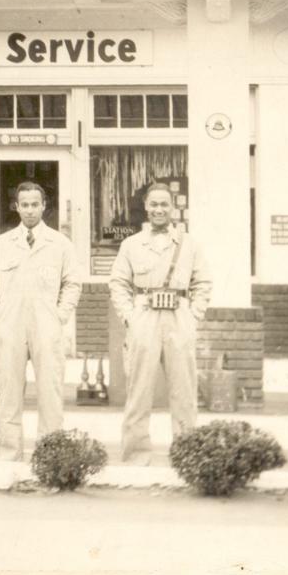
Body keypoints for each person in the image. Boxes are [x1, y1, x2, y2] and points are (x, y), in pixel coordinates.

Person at [108, 182, 213, 466]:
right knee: (139, 389)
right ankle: (135, 457)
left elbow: (202, 282)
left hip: (179, 316)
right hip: (144, 314)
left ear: (173, 207)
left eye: (164, 204)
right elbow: (118, 283)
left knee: (184, 390)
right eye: (153, 204)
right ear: (146, 207)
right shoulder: (130, 244)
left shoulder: (189, 244)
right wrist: (130, 316)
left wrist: (193, 315)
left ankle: (187, 455)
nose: (158, 209)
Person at [0, 181, 81, 461]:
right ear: (17, 207)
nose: (30, 210)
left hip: (47, 326)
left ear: (44, 206)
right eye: (24, 204)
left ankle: (51, 457)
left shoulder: (60, 244)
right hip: (10, 325)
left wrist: (60, 315)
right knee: (9, 394)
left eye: (35, 204)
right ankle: (8, 456)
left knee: (50, 392)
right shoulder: (2, 243)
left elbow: (72, 283)